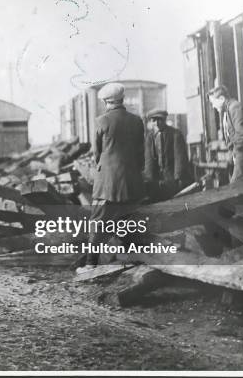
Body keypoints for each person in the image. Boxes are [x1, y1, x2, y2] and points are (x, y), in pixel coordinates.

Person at [77, 83, 145, 273]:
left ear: (107, 102)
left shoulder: (102, 121)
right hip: (132, 182)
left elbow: (97, 154)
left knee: (97, 222)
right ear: (122, 100)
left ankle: (90, 264)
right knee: (128, 221)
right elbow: (141, 153)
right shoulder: (137, 121)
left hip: (108, 184)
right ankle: (131, 261)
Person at [207, 85, 243, 182]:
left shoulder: (234, 108)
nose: (213, 106)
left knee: (236, 185)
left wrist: (235, 154)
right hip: (240, 153)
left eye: (213, 103)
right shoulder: (228, 110)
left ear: (221, 98)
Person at [143, 109, 193, 201]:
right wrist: (149, 180)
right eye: (154, 120)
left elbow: (180, 159)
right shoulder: (150, 137)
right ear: (150, 122)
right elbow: (149, 160)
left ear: (165, 120)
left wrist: (178, 178)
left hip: (173, 180)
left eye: (159, 120)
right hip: (157, 181)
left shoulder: (175, 134)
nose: (157, 123)